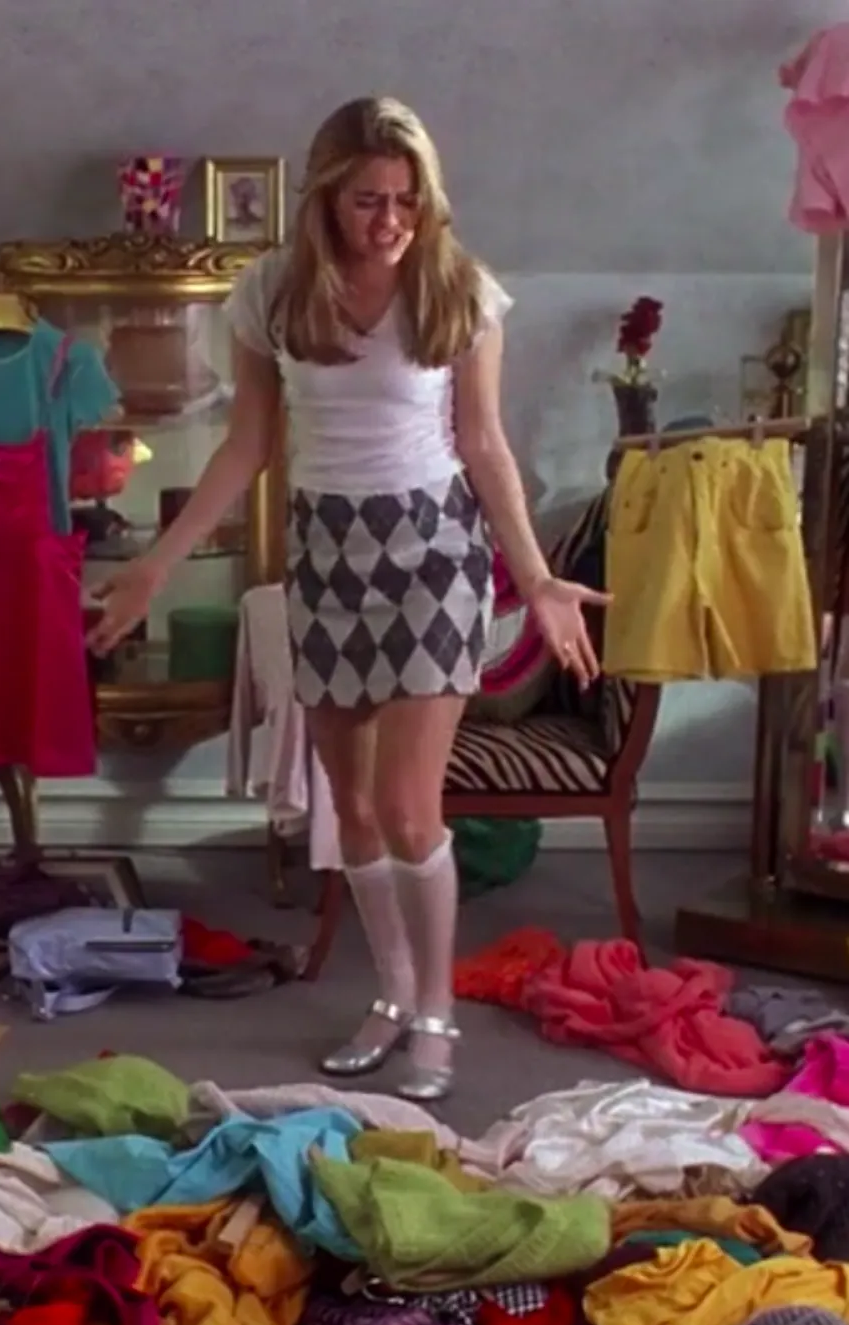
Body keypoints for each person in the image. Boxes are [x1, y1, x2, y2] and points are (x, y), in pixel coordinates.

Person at [88, 96, 608, 1100]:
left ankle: (438, 1014)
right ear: (327, 196)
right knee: (353, 809)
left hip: (434, 554)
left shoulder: (459, 288)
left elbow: (485, 444)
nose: (391, 221)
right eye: (370, 200)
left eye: (409, 200)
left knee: (410, 809)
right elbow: (247, 444)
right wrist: (157, 563)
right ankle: (395, 994)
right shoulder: (273, 292)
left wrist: (537, 575)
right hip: (326, 552)